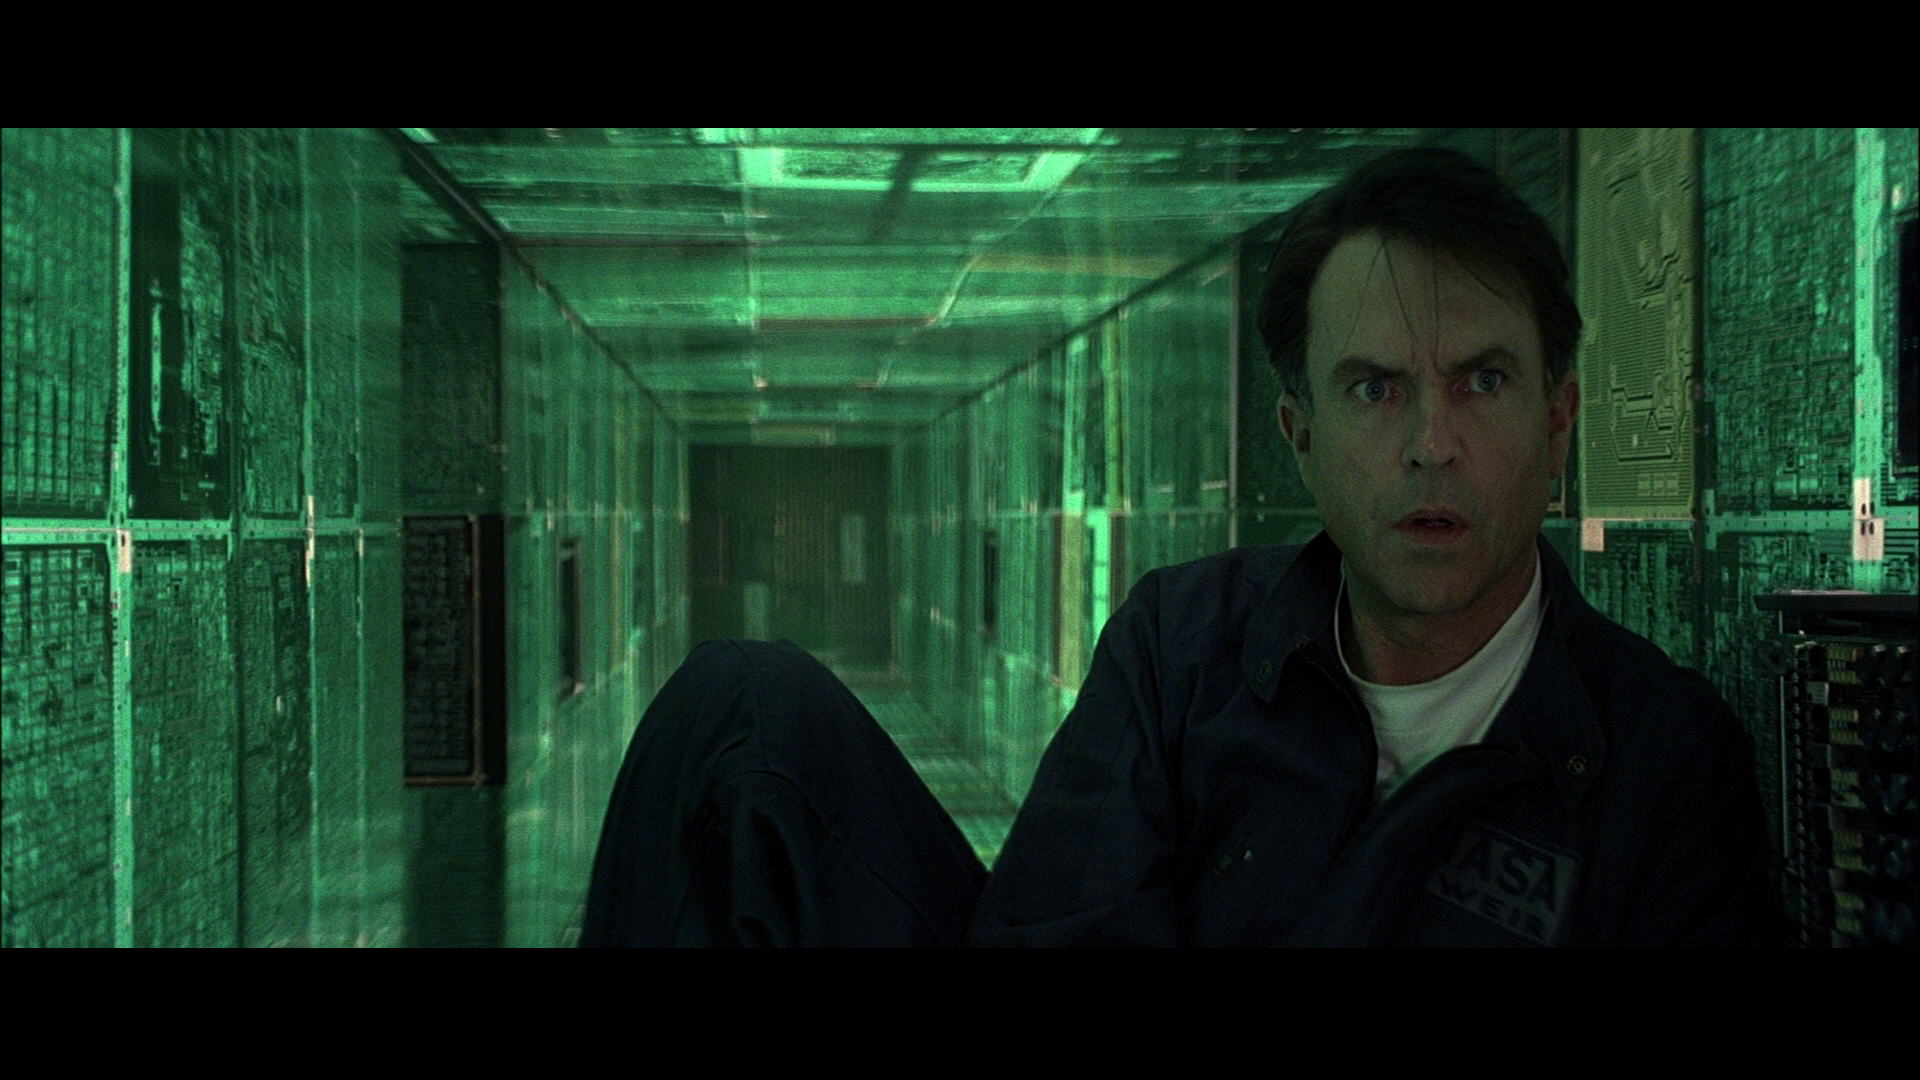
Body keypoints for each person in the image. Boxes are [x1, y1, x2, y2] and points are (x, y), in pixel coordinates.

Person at [582, 147, 1775, 947]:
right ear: (1299, 439)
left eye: (1484, 382)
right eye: (1374, 390)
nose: (1431, 444)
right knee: (742, 712)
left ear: (1559, 423)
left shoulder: (1663, 760)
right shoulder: (1185, 643)